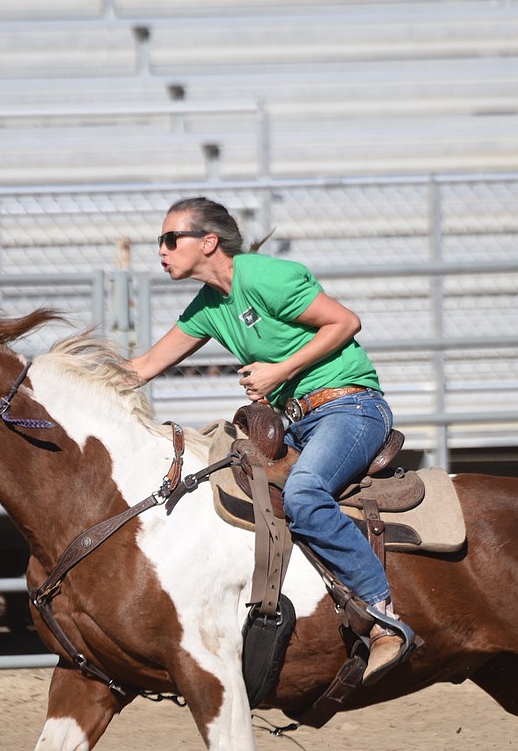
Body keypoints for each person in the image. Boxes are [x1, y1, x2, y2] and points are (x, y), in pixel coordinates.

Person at [128, 196, 414, 683]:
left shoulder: (263, 277)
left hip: (350, 407)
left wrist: (279, 371)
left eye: (171, 238)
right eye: (161, 241)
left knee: (303, 494)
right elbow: (140, 369)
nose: (162, 249)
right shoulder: (208, 308)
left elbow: (345, 322)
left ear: (209, 242)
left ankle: (384, 616)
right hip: (299, 421)